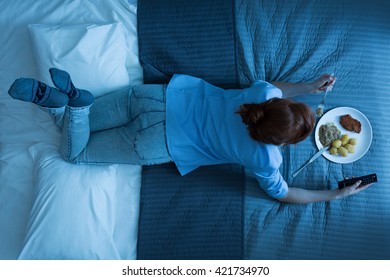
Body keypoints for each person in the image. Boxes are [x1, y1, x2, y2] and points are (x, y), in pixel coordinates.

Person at [8, 68, 372, 204]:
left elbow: (277, 88)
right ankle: (69, 106)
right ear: (279, 142)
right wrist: (334, 194)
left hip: (157, 96)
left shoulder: (262, 95)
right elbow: (286, 194)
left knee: (82, 121)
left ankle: (65, 101)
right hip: (158, 142)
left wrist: (309, 87)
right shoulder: (266, 158)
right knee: (75, 153)